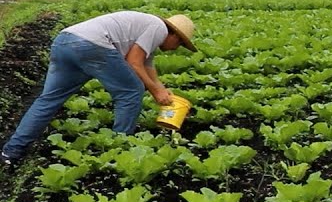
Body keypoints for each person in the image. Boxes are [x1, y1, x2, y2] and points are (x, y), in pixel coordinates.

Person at [1, 12, 197, 165]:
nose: (175, 49)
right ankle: (119, 147)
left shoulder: (150, 31)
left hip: (65, 41)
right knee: (131, 91)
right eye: (180, 44)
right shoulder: (158, 28)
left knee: (49, 99)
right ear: (174, 35)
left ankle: (11, 151)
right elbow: (134, 63)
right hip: (91, 45)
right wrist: (155, 92)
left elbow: (147, 66)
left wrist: (161, 89)